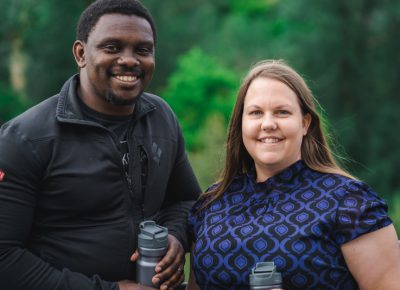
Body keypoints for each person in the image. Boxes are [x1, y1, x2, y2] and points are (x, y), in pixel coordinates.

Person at [0, 0, 201, 289]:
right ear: (81, 54)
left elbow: (186, 201)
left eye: (143, 50)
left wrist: (175, 237)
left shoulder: (161, 118)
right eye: (112, 47)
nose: (130, 60)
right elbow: (4, 258)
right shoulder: (26, 139)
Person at [186, 60, 400, 290]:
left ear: (305, 123)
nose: (268, 124)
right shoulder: (212, 203)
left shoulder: (350, 202)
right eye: (256, 113)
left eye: (282, 112)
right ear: (241, 124)